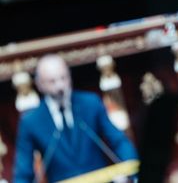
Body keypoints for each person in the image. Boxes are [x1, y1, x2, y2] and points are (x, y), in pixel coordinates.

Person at [14, 54, 138, 183]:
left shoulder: (90, 103)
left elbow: (119, 141)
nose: (60, 86)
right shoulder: (31, 121)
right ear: (39, 85)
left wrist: (129, 172)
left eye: (63, 78)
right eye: (52, 81)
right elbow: (23, 172)